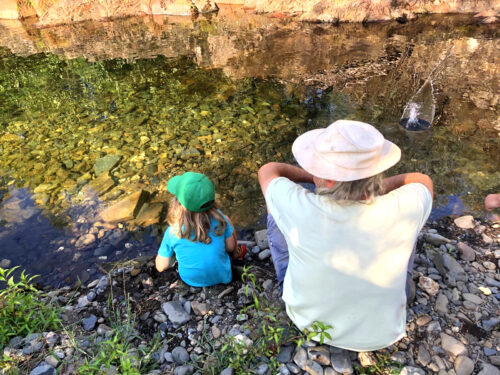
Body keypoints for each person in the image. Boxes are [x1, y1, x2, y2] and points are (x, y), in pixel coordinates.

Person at [258, 119, 433, 352]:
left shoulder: (298, 206)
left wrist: (317, 180)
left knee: (275, 213)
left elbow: (269, 170)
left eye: (317, 167)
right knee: (407, 230)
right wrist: (369, 189)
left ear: (328, 178)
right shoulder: (405, 206)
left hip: (308, 323)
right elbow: (422, 179)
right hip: (384, 332)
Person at [155, 172, 243, 287]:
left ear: (179, 205)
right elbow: (230, 247)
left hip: (190, 280)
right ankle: (238, 254)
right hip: (223, 276)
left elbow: (161, 267)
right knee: (226, 221)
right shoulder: (221, 220)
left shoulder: (173, 231)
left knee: (174, 252)